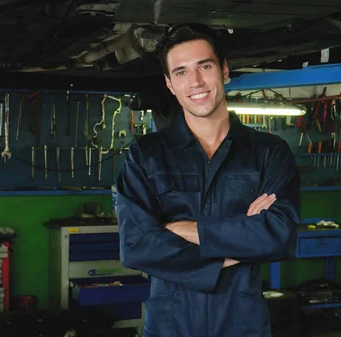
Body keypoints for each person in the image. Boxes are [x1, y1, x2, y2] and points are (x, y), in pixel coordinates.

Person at [116, 23, 300, 337]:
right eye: (181, 72)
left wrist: (188, 230)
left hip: (243, 324)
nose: (196, 82)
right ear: (170, 85)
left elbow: (279, 236)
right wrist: (236, 249)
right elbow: (136, 246)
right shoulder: (145, 155)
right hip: (169, 325)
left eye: (205, 66)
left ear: (225, 70)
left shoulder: (269, 153)